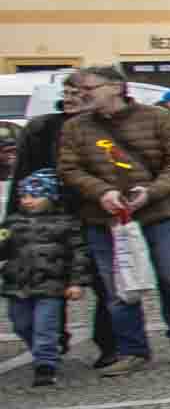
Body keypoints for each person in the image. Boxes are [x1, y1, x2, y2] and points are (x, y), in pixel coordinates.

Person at [60, 66, 170, 370]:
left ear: (116, 87)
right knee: (118, 288)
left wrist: (151, 192)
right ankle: (132, 349)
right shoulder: (75, 127)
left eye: (89, 88)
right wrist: (102, 192)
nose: (83, 94)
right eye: (80, 89)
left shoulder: (159, 118)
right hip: (104, 218)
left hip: (157, 213)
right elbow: (69, 169)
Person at [14, 75, 118, 370]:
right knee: (48, 281)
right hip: (50, 219)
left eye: (78, 92)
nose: (71, 98)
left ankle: (109, 344)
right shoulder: (42, 128)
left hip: (95, 214)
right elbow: (23, 177)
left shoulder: (106, 127)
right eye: (67, 92)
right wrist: (17, 219)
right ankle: (54, 340)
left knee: (104, 282)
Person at [7, 165, 90, 389]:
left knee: (45, 326)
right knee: (20, 324)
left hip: (51, 286)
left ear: (50, 197)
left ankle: (45, 365)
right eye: (24, 196)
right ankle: (42, 351)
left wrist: (76, 282)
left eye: (34, 196)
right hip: (17, 286)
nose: (28, 200)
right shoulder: (12, 223)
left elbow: (79, 254)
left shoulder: (65, 223)